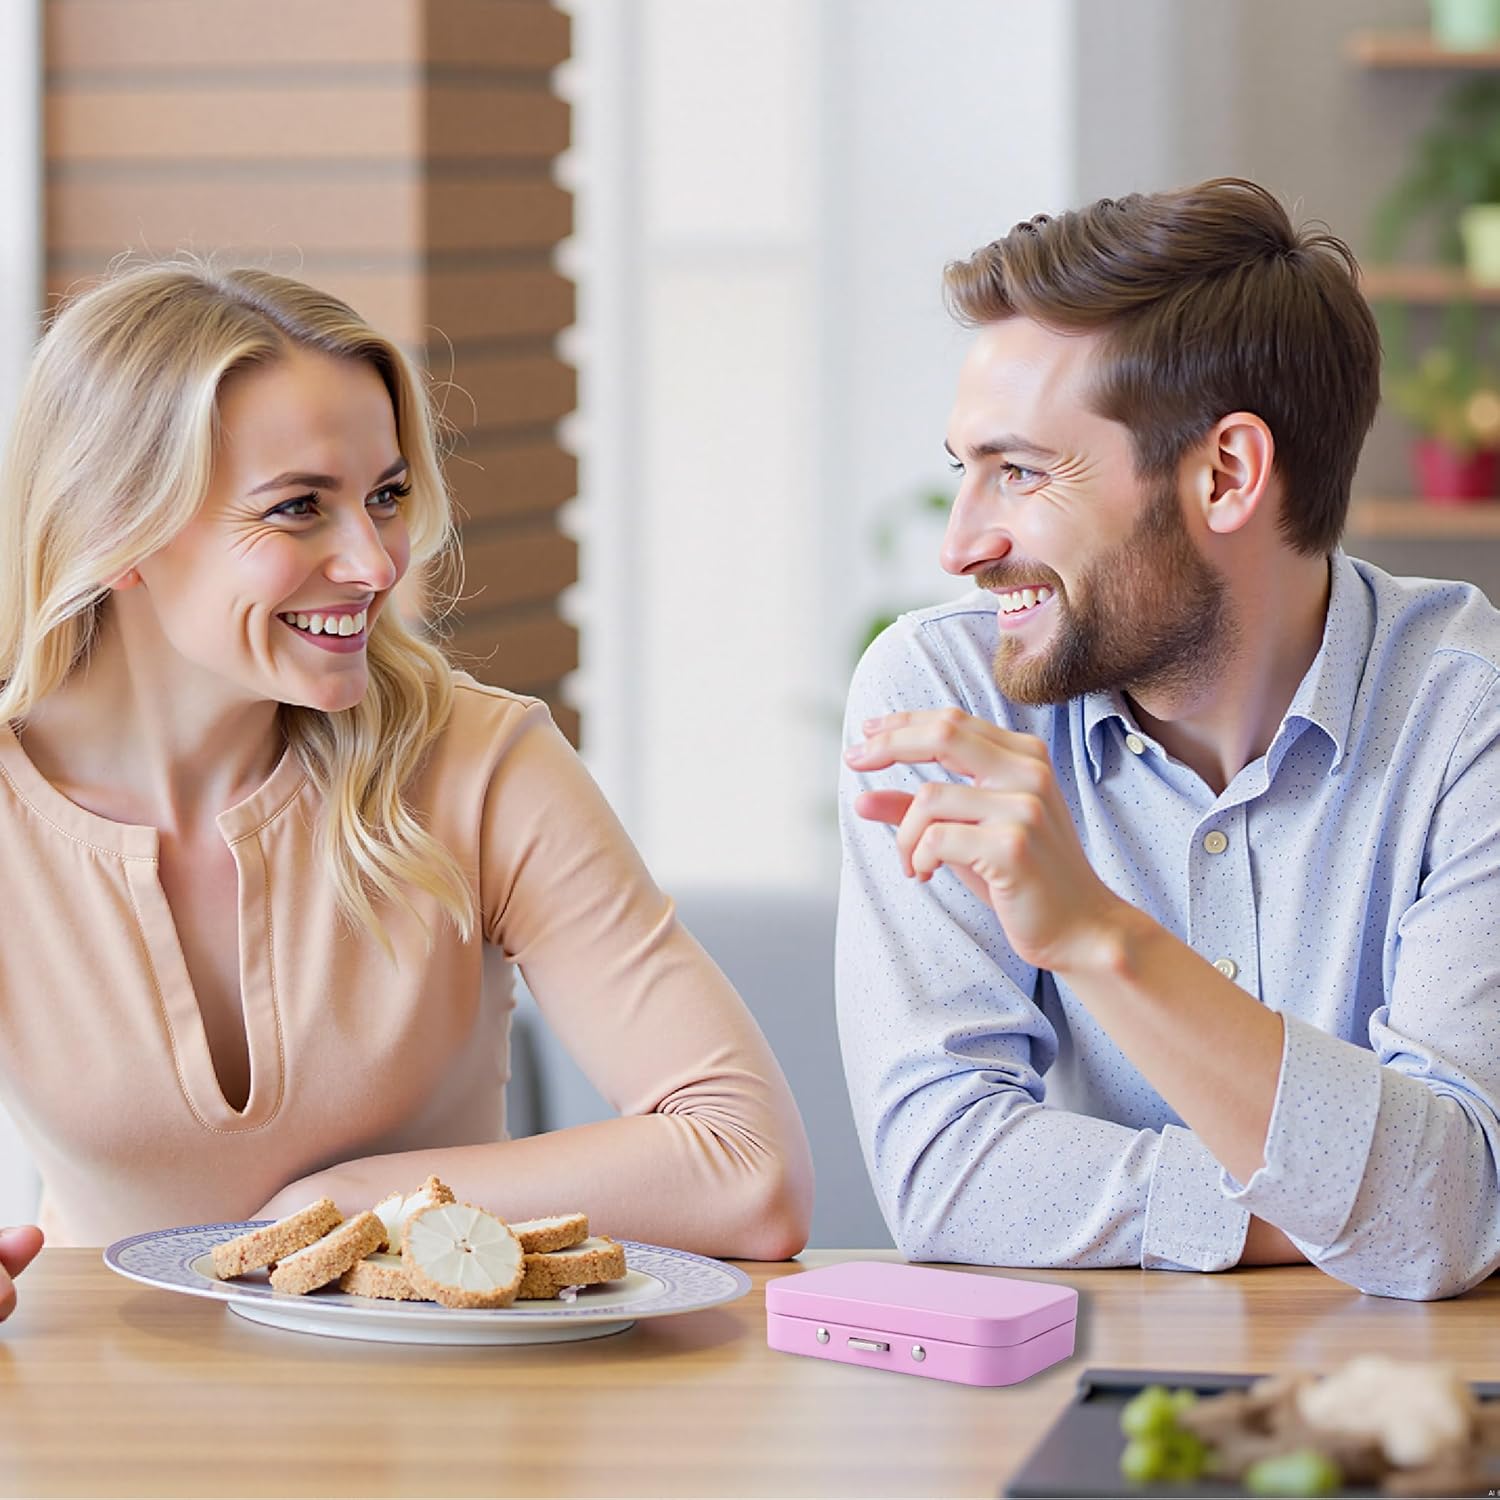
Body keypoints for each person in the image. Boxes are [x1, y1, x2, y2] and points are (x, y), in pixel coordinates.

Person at [0, 262, 813, 1318]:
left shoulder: (479, 762)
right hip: (104, 1430)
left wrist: (351, 1201)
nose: (376, 563)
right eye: (298, 508)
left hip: (452, 1431)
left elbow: (750, 1167)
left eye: (384, 497)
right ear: (118, 528)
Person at [837, 177, 1500, 1302]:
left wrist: (1099, 933)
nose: (960, 544)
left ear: (1227, 473)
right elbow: (944, 1174)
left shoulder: (1464, 711)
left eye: (1022, 471)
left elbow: (1445, 1208)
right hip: (1084, 1390)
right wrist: (1349, 1202)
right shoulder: (947, 693)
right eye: (966, 469)